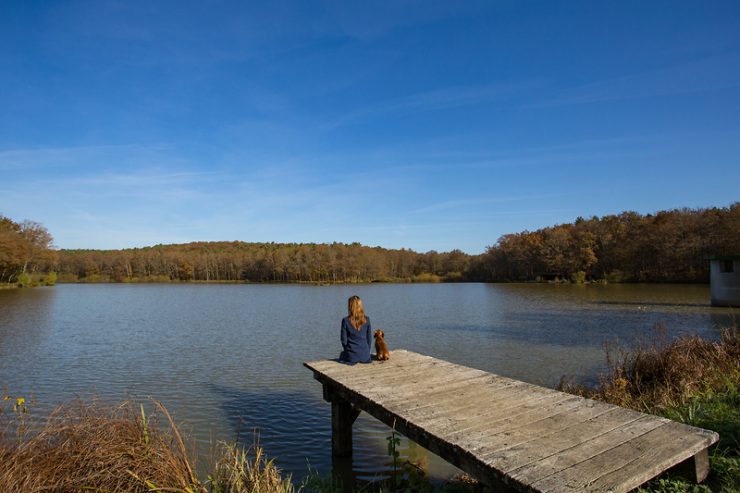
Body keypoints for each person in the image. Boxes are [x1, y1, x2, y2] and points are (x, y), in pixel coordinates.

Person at [339, 295, 372, 364]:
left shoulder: (345, 320)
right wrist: (366, 351)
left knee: (342, 354)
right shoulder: (367, 320)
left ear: (350, 307)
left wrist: (348, 351)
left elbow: (343, 341)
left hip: (351, 357)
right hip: (365, 356)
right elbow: (369, 340)